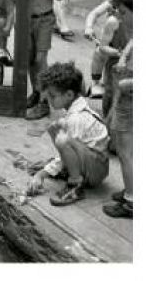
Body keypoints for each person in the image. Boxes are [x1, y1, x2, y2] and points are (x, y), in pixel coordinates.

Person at [27, 63, 110, 207]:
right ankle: (67, 169)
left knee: (63, 140)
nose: (49, 100)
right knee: (54, 128)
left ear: (69, 95)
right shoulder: (75, 107)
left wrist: (42, 174)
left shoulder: (76, 118)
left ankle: (75, 184)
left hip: (96, 171)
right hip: (90, 160)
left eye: (53, 96)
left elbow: (66, 145)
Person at [23, 0, 65, 120]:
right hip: (27, 19)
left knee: (41, 60)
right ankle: (36, 92)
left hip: (45, 18)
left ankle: (44, 102)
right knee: (30, 60)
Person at [83, 0, 133, 114]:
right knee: (99, 55)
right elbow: (94, 14)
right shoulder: (113, 14)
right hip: (114, 47)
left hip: (125, 52)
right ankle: (95, 82)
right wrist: (89, 27)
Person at [102, 39, 133, 219]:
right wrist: (123, 59)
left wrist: (124, 84)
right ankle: (131, 189)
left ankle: (131, 202)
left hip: (129, 95)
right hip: (127, 91)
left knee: (125, 153)